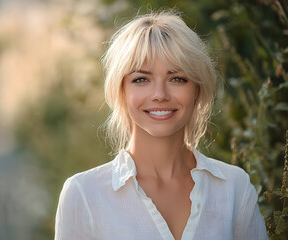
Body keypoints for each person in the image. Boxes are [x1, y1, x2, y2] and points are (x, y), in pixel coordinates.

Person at [54, 10, 268, 240]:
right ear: (121, 90)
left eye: (177, 79)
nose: (159, 94)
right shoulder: (84, 193)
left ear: (197, 90)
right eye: (141, 79)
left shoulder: (234, 187)